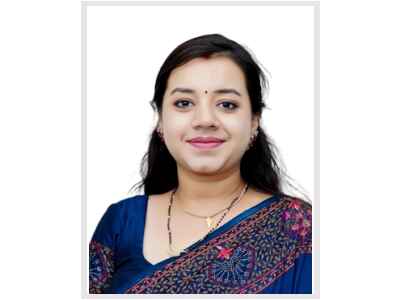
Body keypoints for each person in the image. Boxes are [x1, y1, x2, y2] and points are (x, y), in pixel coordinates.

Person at [89, 33, 312, 294]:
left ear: (254, 121)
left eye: (227, 104)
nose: (205, 120)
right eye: (184, 103)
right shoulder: (121, 223)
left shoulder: (299, 229)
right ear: (160, 120)